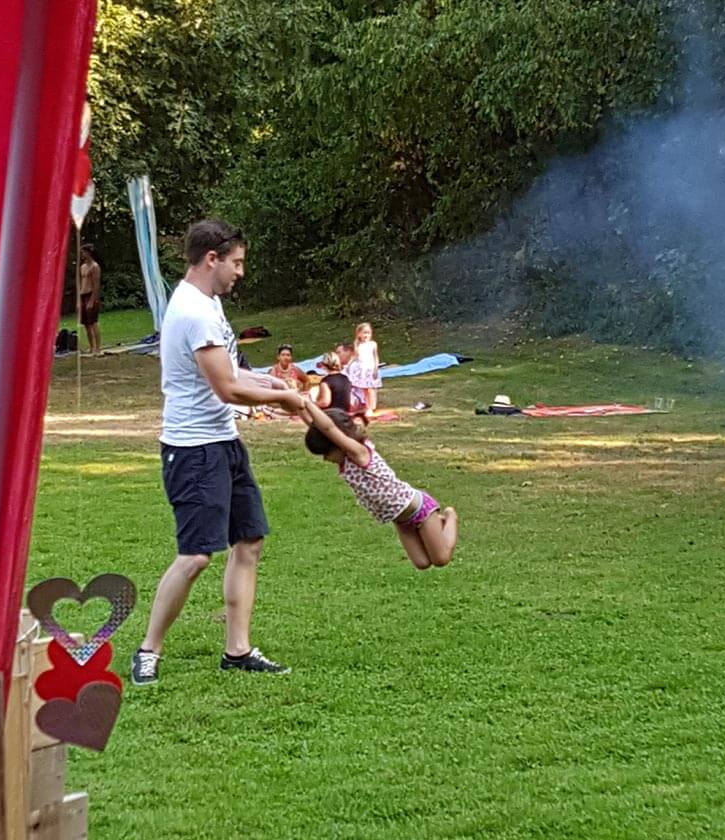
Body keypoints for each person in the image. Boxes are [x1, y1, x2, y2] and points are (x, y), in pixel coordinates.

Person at [131, 219, 306, 685]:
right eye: (237, 262)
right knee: (195, 557)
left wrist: (269, 381)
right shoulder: (195, 312)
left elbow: (228, 372)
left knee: (249, 541)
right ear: (213, 259)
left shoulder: (206, 303)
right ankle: (148, 650)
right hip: (194, 450)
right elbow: (227, 388)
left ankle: (238, 651)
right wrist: (285, 400)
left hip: (223, 441)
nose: (240, 273)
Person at [300, 401, 458, 569]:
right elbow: (319, 428)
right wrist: (297, 405)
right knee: (422, 563)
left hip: (419, 509)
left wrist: (307, 403)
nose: (325, 459)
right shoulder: (345, 462)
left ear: (339, 444)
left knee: (441, 559)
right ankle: (434, 526)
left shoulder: (359, 454)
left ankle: (450, 516)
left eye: (326, 453)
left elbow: (328, 428)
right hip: (400, 520)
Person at [353, 321, 382, 414]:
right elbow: (356, 358)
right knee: (364, 389)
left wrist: (376, 368)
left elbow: (376, 357)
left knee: (370, 389)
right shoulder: (358, 345)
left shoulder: (373, 344)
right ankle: (367, 405)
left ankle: (371, 407)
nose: (366, 335)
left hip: (370, 369)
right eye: (364, 333)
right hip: (362, 370)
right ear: (359, 334)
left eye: (368, 333)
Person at [79, 244, 102, 355]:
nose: (82, 254)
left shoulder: (95, 267)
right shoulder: (83, 267)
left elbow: (96, 284)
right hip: (83, 295)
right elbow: (81, 282)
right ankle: (91, 346)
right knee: (86, 324)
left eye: (83, 252)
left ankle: (98, 348)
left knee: (93, 322)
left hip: (90, 294)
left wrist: (92, 300)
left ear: (88, 253)